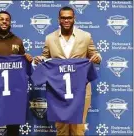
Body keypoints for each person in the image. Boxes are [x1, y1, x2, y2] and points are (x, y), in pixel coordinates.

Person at [34, 6, 102, 136]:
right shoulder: (49, 38)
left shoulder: (86, 36)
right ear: (59, 19)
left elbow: (95, 54)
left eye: (69, 18)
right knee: (61, 129)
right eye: (63, 18)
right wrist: (40, 59)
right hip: (58, 90)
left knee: (78, 129)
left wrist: (97, 57)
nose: (66, 20)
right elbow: (46, 57)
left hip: (80, 89)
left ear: (74, 19)